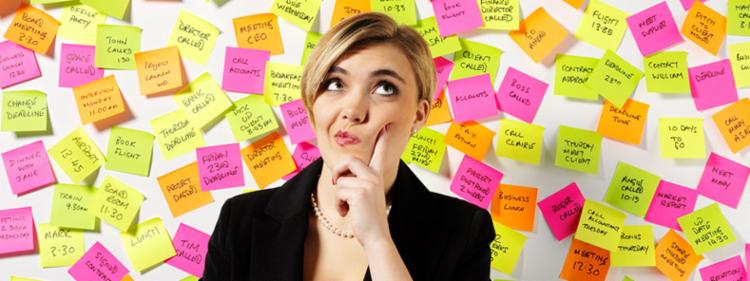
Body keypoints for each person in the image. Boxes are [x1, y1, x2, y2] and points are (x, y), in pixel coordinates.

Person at [201, 12, 496, 281]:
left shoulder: (463, 231)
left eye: (384, 88)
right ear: (311, 102)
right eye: (334, 84)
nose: (353, 109)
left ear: (419, 115)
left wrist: (378, 239)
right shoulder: (240, 219)